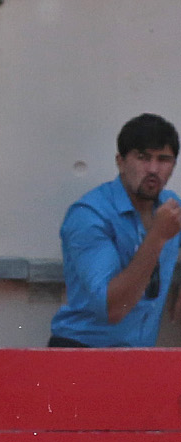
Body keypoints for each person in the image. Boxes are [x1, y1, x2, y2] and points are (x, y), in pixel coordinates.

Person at [48, 114, 181, 348]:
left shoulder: (170, 205)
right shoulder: (90, 215)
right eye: (142, 157)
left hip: (138, 357)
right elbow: (113, 309)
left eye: (163, 159)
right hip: (83, 352)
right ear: (120, 161)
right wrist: (158, 237)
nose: (153, 169)